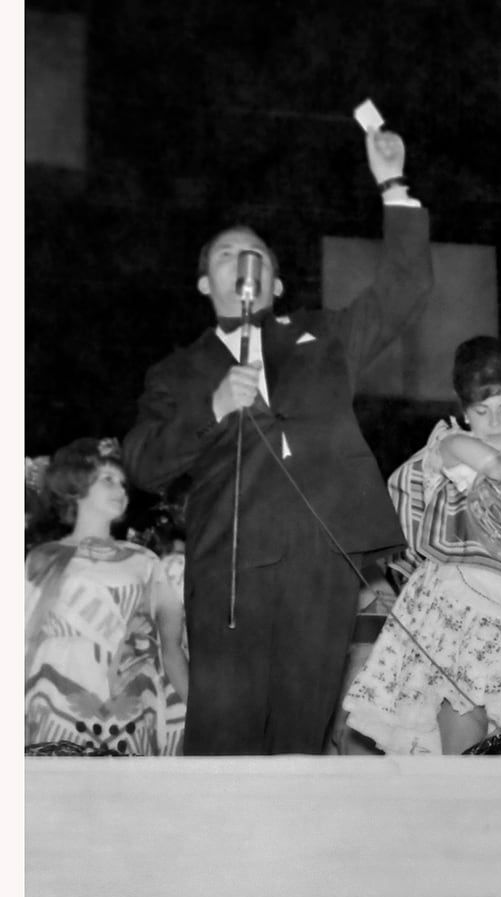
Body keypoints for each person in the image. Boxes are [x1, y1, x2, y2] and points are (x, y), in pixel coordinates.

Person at [123, 125, 432, 755]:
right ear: (205, 284)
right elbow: (143, 462)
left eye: (257, 256)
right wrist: (212, 407)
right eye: (226, 256)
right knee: (227, 733)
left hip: (320, 561)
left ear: (278, 283)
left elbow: (405, 290)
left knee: (301, 731)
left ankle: (294, 850)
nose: (244, 264)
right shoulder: (178, 372)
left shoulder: (324, 341)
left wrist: (393, 185)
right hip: (230, 565)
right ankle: (216, 850)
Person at [343, 336, 501, 754]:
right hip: (458, 609)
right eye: (481, 412)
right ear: (465, 412)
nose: (494, 422)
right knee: (466, 714)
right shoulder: (454, 451)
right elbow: (471, 453)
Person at [25, 437, 188, 755]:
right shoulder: (42, 558)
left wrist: (196, 710)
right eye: (107, 480)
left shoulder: (145, 560)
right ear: (76, 487)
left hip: (128, 702)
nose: (121, 490)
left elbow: (171, 647)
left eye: (123, 484)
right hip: (57, 697)